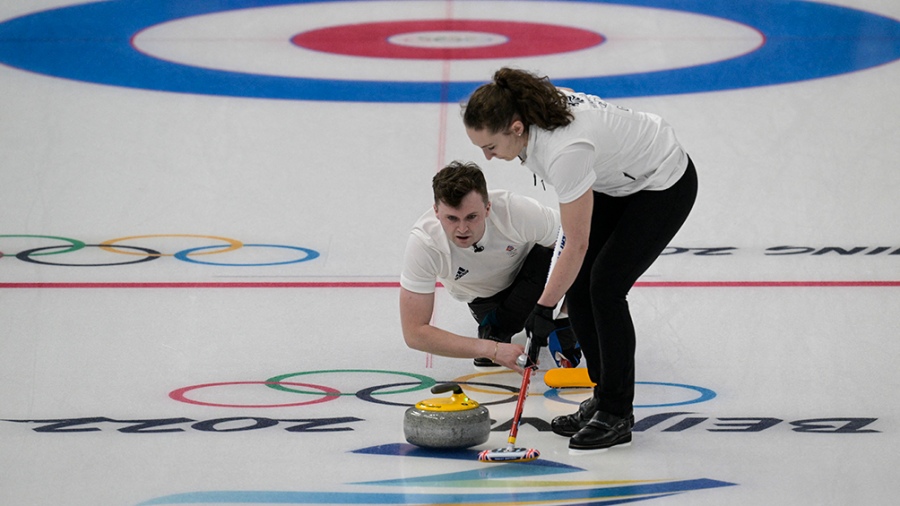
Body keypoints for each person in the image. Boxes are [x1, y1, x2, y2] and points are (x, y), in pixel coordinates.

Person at [463, 68, 698, 451]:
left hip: (662, 183)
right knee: (582, 285)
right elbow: (573, 247)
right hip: (616, 179)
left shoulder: (564, 151)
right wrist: (552, 300)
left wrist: (543, 307)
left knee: (604, 288)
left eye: (489, 146)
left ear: (517, 128)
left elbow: (576, 242)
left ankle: (618, 412)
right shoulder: (530, 117)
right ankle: (603, 396)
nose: (487, 157)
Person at [399, 160, 581, 372]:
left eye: (471, 217)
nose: (462, 228)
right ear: (436, 212)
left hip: (536, 274)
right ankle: (497, 328)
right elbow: (414, 333)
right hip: (485, 300)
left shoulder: (515, 211)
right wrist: (489, 349)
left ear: (487, 208)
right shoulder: (425, 243)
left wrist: (566, 314)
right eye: (451, 218)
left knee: (555, 251)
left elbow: (579, 244)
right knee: (499, 327)